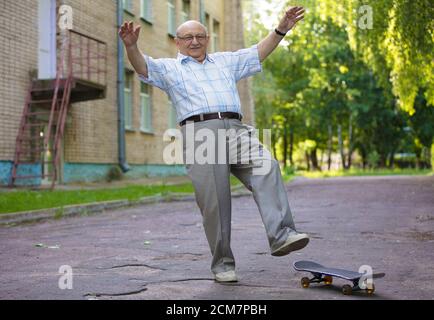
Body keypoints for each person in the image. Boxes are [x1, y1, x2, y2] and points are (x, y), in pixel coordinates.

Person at [119, 6, 309, 283]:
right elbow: (142, 67)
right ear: (177, 41)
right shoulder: (169, 68)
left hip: (235, 128)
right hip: (200, 133)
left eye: (200, 36)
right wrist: (131, 46)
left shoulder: (225, 61)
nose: (194, 41)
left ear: (207, 39)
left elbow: (258, 51)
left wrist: (281, 29)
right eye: (187, 37)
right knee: (215, 203)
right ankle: (222, 263)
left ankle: (282, 235)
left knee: (266, 165)